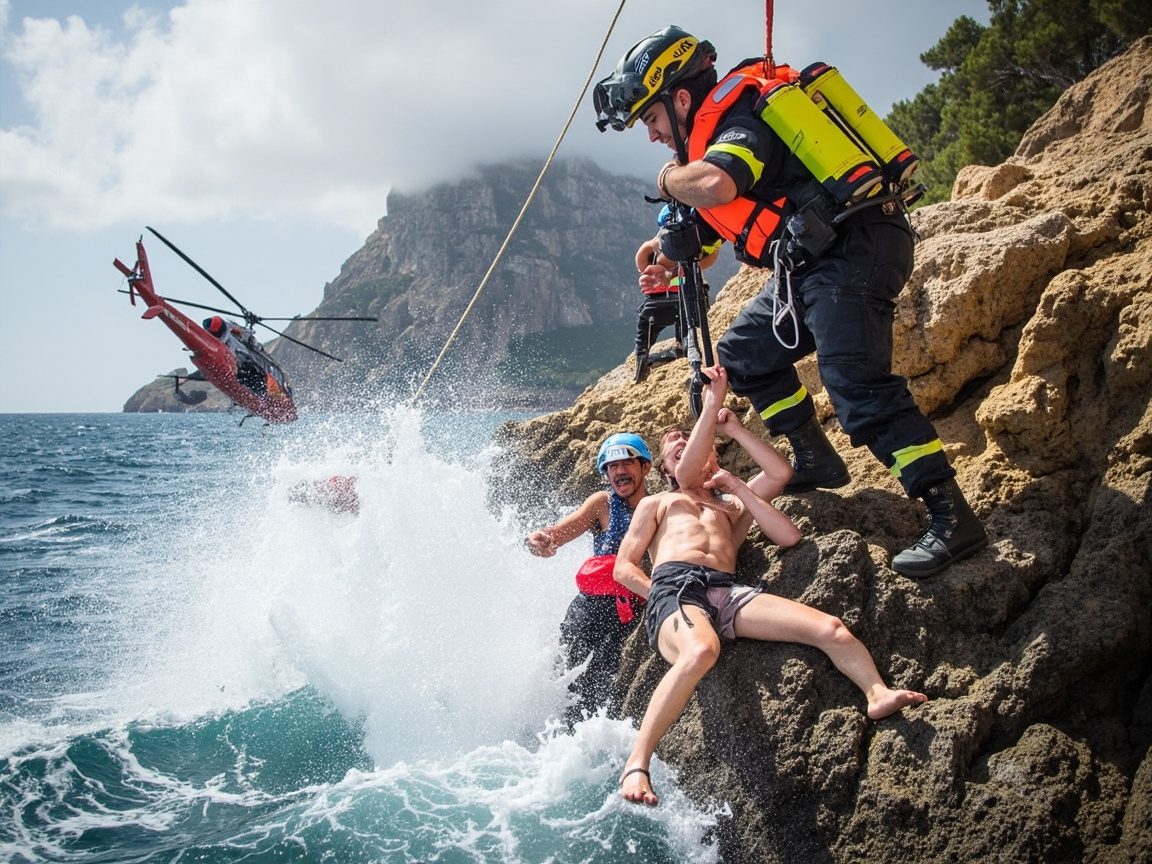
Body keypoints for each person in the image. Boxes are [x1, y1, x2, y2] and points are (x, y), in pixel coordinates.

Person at [593, 25, 986, 578]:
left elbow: (719, 186)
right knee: (741, 357)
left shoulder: (740, 116)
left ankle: (952, 516)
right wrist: (662, 254)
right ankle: (815, 457)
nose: (653, 136)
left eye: (652, 120)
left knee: (856, 386)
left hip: (857, 245)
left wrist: (666, 179)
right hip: (810, 263)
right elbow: (707, 244)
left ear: (680, 98)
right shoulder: (704, 146)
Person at [612, 365, 928, 805]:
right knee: (702, 649)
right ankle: (637, 763)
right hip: (676, 589)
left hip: (726, 588)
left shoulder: (732, 506)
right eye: (674, 448)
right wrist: (663, 599)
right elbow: (623, 568)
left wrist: (736, 430)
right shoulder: (659, 501)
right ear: (666, 467)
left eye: (691, 440)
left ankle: (877, 693)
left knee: (830, 628)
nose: (684, 445)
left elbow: (779, 473)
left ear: (714, 454)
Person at [525, 433, 654, 726]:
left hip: (629, 617)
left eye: (626, 463)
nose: (619, 471)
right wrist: (537, 539)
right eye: (612, 466)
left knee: (598, 685)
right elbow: (559, 533)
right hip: (588, 608)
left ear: (644, 467)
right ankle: (541, 730)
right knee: (563, 671)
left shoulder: (660, 506)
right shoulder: (602, 504)